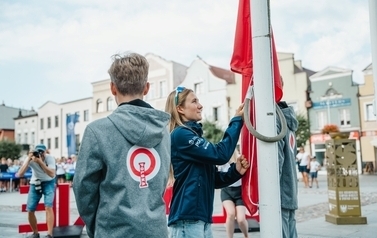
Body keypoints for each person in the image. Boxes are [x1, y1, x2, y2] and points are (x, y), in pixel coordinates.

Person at [73, 53, 171, 238]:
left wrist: (97, 227)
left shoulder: (97, 130)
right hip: (156, 230)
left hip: (114, 230)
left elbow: (83, 189)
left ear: (113, 88)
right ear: (146, 88)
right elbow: (161, 182)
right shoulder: (164, 131)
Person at [165, 86, 250, 238]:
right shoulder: (181, 134)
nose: (200, 105)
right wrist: (237, 121)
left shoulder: (191, 135)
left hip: (198, 218)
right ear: (180, 109)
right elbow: (220, 154)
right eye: (194, 101)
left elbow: (212, 179)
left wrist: (235, 171)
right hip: (188, 219)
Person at [17, 145, 56, 238]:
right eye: (38, 152)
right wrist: (28, 160)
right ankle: (35, 233)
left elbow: (52, 174)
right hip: (35, 182)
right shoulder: (31, 158)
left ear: (45, 152)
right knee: (30, 209)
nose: (40, 154)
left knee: (48, 207)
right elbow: (20, 174)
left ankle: (49, 234)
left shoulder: (50, 158)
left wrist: (41, 162)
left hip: (49, 182)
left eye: (42, 152)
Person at [276, 100, 299, 238]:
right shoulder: (289, 122)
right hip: (291, 187)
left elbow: (278, 159)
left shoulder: (276, 120)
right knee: (291, 230)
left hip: (281, 188)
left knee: (282, 231)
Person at [218, 151, 249, 238]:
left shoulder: (239, 158)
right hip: (227, 190)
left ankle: (246, 235)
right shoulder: (221, 161)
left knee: (241, 219)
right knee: (231, 214)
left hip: (239, 191)